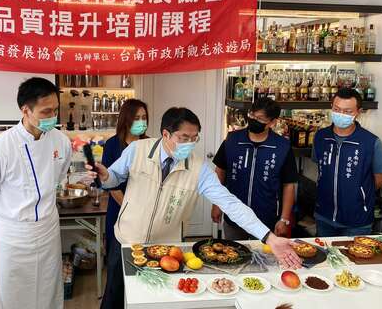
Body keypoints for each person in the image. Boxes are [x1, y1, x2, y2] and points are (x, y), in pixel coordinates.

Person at [89, 107, 302, 309]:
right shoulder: (138, 150)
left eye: (194, 138)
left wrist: (270, 238)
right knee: (115, 299)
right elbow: (113, 177)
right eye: (184, 138)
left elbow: (231, 203)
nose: (190, 144)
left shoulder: (198, 168)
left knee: (157, 301)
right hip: (126, 240)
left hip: (167, 249)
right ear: (166, 134)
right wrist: (105, 176)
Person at [0, 78, 72, 309]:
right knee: (11, 296)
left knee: (48, 292)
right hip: (13, 237)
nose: (52, 117)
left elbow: (58, 179)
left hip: (48, 232)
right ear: (25, 110)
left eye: (55, 110)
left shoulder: (61, 142)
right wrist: (12, 220)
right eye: (46, 111)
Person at [211, 98, 298, 240]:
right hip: (234, 216)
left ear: (272, 122)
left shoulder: (282, 147)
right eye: (251, 115)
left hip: (266, 220)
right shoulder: (232, 140)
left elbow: (289, 185)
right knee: (234, 256)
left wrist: (284, 219)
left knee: (264, 259)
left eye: (259, 118)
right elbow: (219, 172)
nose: (253, 120)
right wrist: (216, 204)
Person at [312, 88, 382, 237]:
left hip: (357, 221)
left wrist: (356, 193)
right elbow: (320, 167)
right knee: (325, 258)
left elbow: (381, 178)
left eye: (347, 111)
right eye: (337, 109)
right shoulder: (321, 137)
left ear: (358, 112)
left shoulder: (371, 142)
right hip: (324, 216)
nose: (341, 114)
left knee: (356, 257)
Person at [102, 99, 149, 255]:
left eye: (144, 117)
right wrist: (129, 209)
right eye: (136, 118)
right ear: (126, 119)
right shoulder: (112, 145)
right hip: (119, 209)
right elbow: (110, 184)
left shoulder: (151, 144)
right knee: (118, 257)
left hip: (145, 210)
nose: (141, 122)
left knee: (143, 256)